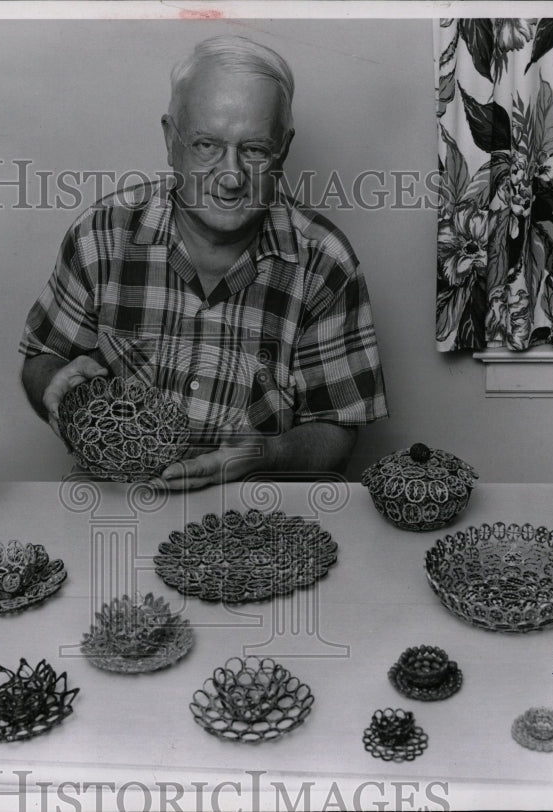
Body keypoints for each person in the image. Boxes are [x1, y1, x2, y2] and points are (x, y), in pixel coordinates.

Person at [20, 34, 387, 489]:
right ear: (171, 139)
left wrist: (267, 452)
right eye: (206, 145)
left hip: (254, 523)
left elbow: (337, 430)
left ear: (284, 148)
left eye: (254, 149)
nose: (231, 177)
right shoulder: (101, 235)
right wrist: (54, 384)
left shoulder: (326, 263)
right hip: (115, 507)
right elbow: (43, 358)